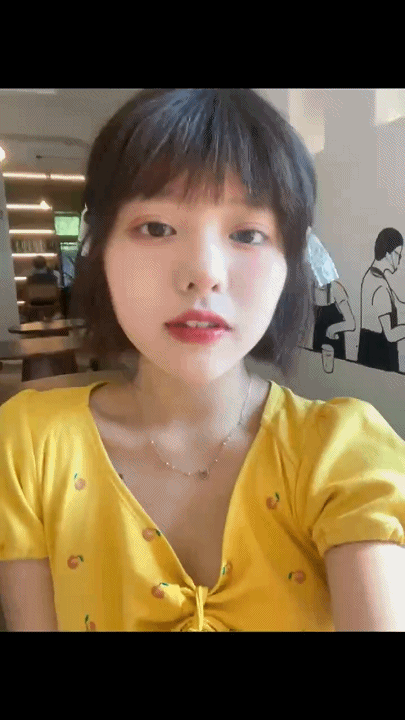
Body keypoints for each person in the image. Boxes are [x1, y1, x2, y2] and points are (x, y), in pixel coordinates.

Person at [1, 89, 405, 632]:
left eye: (247, 234)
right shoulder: (30, 448)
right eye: (156, 227)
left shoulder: (343, 454)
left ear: (291, 262)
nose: (204, 273)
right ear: (100, 249)